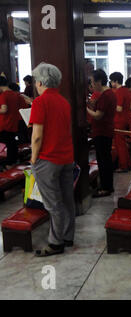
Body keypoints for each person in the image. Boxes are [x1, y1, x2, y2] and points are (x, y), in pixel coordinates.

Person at [28, 63, 75, 257]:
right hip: (66, 157)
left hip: (48, 158)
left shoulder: (40, 102)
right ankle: (67, 236)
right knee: (67, 199)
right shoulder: (63, 101)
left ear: (39, 82)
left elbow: (37, 135)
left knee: (53, 203)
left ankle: (56, 243)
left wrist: (33, 158)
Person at [87, 69, 116, 198]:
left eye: (93, 82)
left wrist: (85, 108)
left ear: (99, 81)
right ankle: (107, 186)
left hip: (102, 132)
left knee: (103, 161)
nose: (91, 85)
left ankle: (106, 188)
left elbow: (98, 115)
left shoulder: (106, 95)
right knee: (105, 160)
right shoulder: (108, 94)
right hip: (105, 131)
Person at [109, 72, 131, 173]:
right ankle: (128, 164)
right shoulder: (126, 90)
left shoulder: (119, 92)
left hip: (119, 120)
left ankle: (123, 166)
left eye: (111, 81)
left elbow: (118, 108)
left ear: (116, 81)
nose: (110, 82)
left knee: (120, 144)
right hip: (125, 118)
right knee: (123, 143)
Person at [0, 76, 20, 168]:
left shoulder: (4, 95)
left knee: (9, 143)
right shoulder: (14, 94)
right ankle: (12, 162)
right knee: (12, 143)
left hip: (5, 124)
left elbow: (4, 109)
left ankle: (8, 164)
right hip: (13, 123)